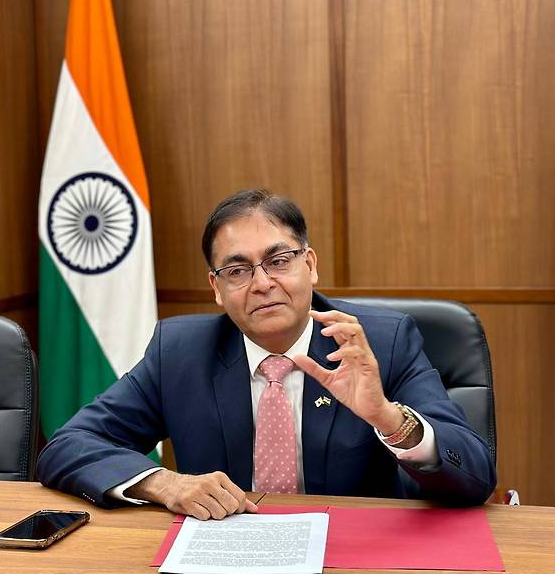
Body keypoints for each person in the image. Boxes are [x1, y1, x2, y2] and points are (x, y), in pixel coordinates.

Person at [37, 190, 496, 519]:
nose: (261, 283)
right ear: (216, 288)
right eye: (237, 269)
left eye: (279, 261)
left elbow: (475, 474)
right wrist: (165, 483)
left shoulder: (377, 341)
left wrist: (389, 419)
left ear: (310, 266)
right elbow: (66, 447)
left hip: (353, 556)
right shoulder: (180, 353)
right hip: (225, 557)